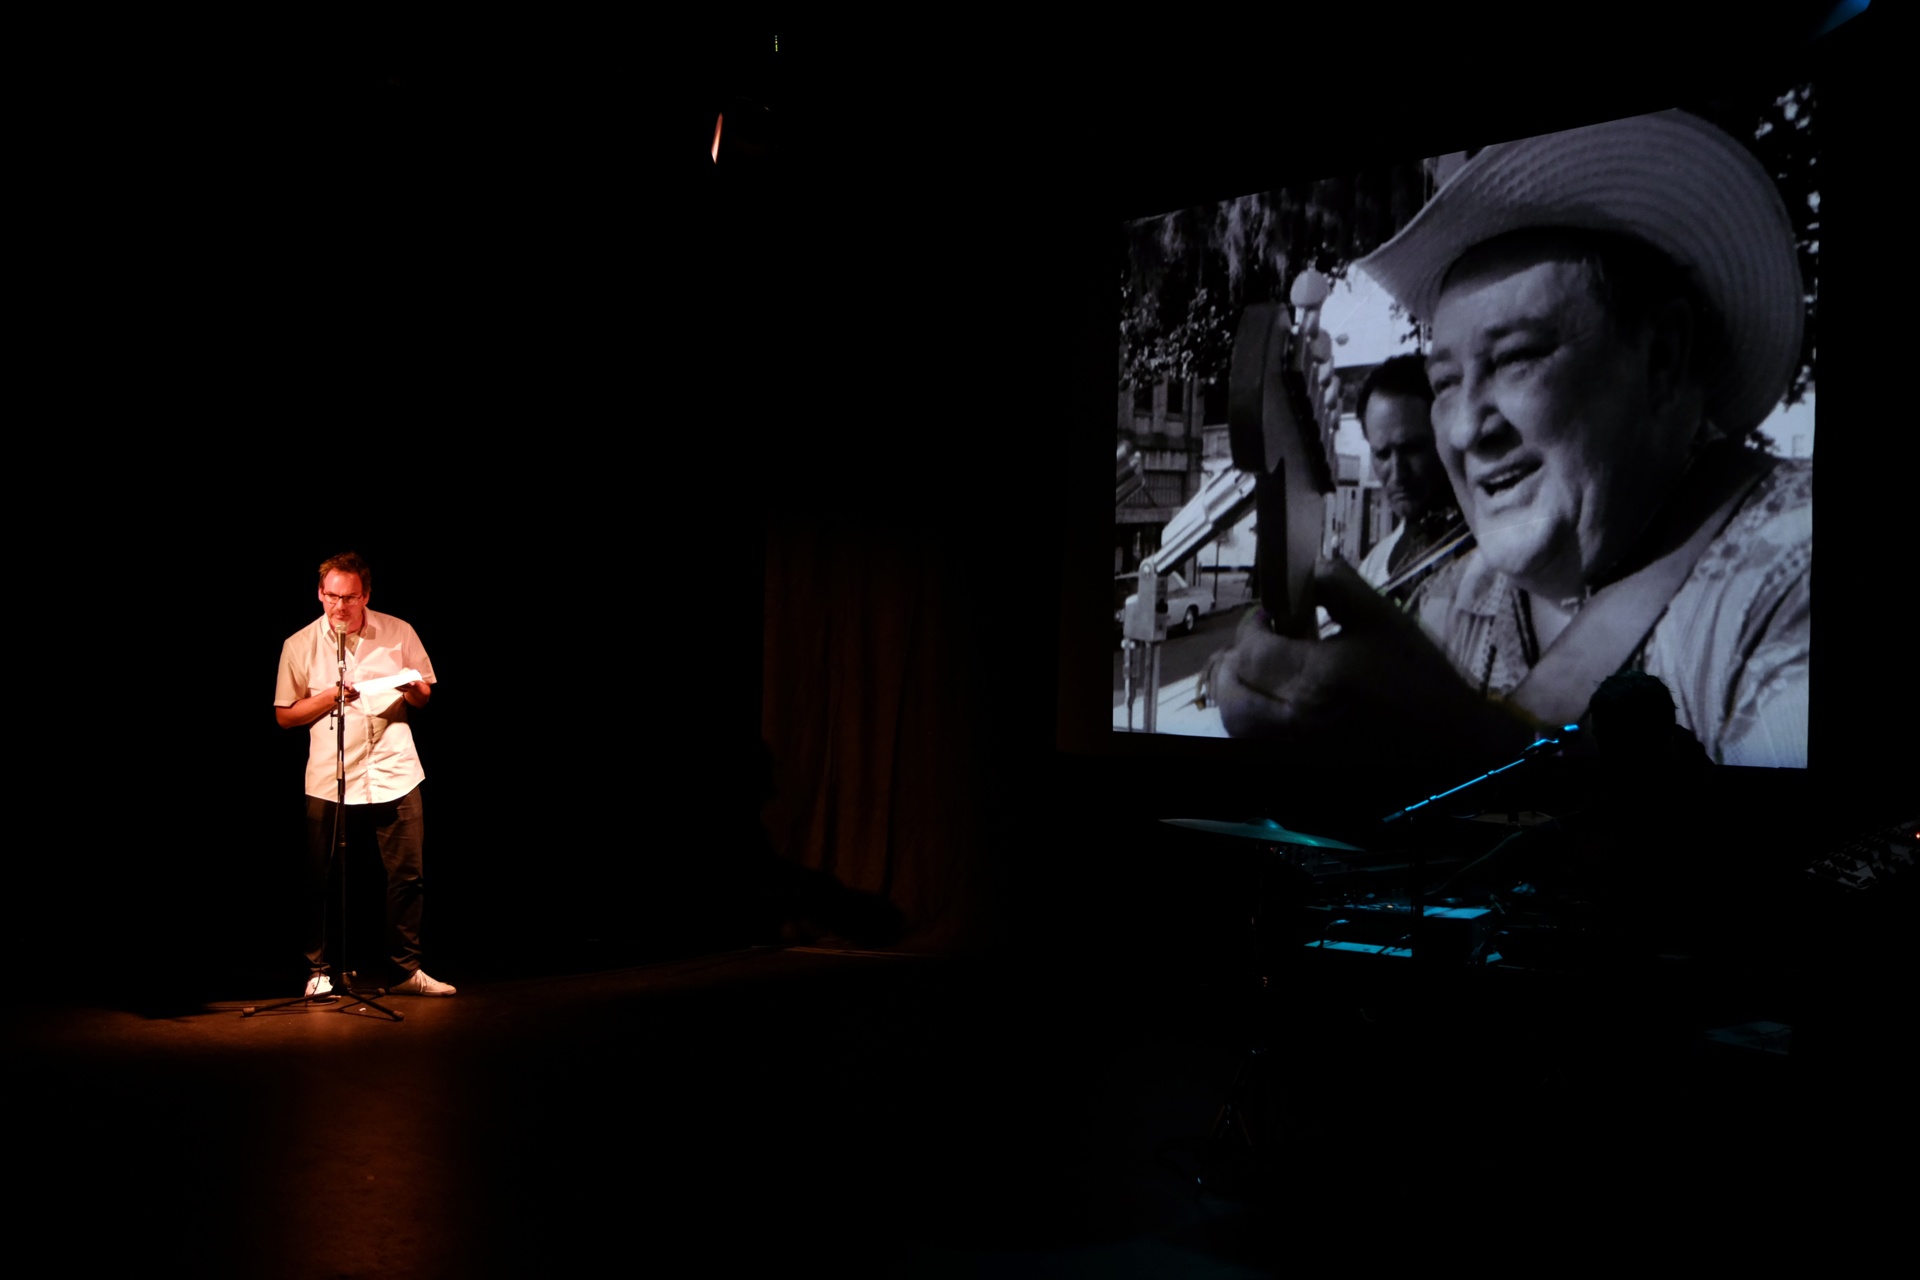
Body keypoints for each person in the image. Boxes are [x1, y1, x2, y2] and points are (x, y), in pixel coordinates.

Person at [1213, 110, 1810, 770]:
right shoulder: (1447, 603)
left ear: (1662, 358)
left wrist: (1456, 756)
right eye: (1444, 383)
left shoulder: (1793, 573)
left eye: (1519, 357)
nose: (1467, 429)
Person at [274, 551, 455, 998]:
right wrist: (330, 697)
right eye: (332, 596)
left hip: (395, 769)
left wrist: (414, 686)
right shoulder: (299, 645)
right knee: (321, 876)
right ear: (320, 594)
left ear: (365, 596)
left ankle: (405, 972)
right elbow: (284, 716)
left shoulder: (398, 631)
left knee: (407, 875)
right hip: (330, 775)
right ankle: (318, 970)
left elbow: (424, 694)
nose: (340, 606)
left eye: (350, 597)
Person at [1351, 353, 1470, 604]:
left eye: (1413, 448)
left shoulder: (1487, 542)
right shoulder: (1374, 565)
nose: (1398, 473)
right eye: (1382, 454)